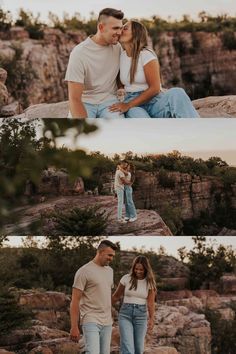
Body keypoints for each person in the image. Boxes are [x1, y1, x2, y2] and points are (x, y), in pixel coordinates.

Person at [109, 20, 200, 118]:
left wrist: (127, 105)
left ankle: (195, 129)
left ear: (136, 33)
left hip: (154, 102)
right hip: (133, 104)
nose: (120, 30)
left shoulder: (146, 54)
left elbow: (155, 88)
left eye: (125, 28)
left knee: (177, 93)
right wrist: (121, 90)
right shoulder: (121, 56)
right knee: (137, 116)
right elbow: (121, 80)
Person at [65, 8, 125, 118]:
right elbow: (74, 98)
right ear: (101, 27)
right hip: (85, 102)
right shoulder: (79, 53)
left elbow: (119, 73)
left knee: (118, 131)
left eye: (121, 28)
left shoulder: (117, 47)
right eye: (115, 28)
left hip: (110, 102)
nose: (120, 32)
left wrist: (121, 87)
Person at [70, 240, 118, 354]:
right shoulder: (84, 271)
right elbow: (75, 300)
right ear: (100, 252)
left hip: (107, 321)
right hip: (90, 318)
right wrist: (74, 326)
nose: (111, 258)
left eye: (113, 256)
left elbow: (105, 294)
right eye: (109, 255)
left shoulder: (110, 271)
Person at [112, 255, 156, 354]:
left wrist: (152, 318)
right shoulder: (126, 278)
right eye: (136, 269)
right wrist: (104, 307)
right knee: (128, 346)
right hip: (125, 314)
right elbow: (116, 296)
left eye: (141, 269)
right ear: (133, 268)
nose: (138, 271)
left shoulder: (150, 282)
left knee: (139, 349)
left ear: (146, 269)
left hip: (141, 316)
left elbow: (150, 302)